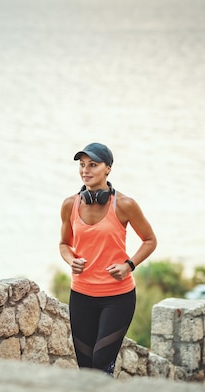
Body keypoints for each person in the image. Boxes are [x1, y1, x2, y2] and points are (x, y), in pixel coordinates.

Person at [59, 142, 157, 376]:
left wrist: (129, 266)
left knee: (101, 363)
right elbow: (64, 244)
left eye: (93, 165)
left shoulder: (124, 205)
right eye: (82, 165)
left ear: (108, 169)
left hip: (118, 299)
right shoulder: (70, 204)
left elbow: (150, 240)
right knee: (85, 368)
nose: (86, 170)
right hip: (81, 296)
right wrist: (70, 260)